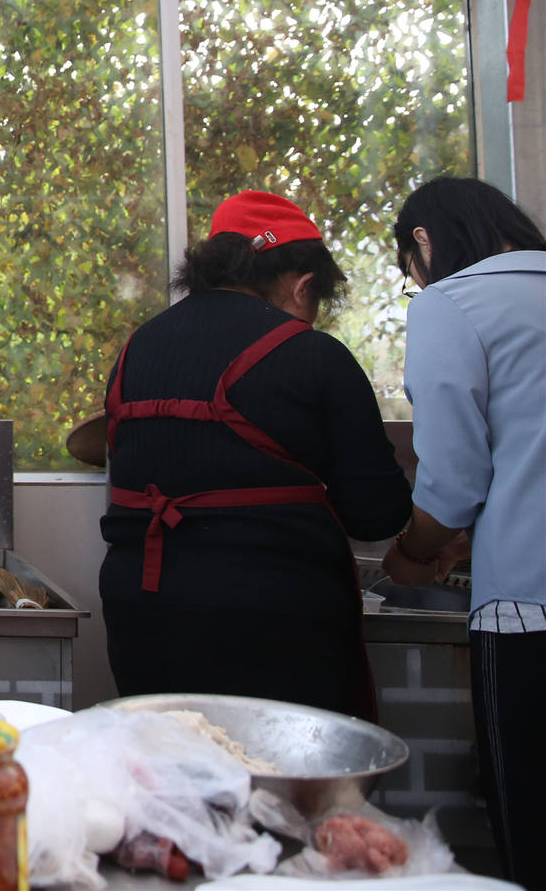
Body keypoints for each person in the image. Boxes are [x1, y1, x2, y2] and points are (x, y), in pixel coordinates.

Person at [99, 190, 410, 719]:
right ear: (302, 283)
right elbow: (377, 512)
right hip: (274, 624)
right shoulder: (315, 357)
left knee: (174, 784)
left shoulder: (136, 349)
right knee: (277, 791)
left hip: (142, 614)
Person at [381, 177, 546, 891]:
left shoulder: (454, 303)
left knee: (533, 827)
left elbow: (452, 481)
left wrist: (416, 552)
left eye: (408, 273)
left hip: (528, 607)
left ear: (423, 242)